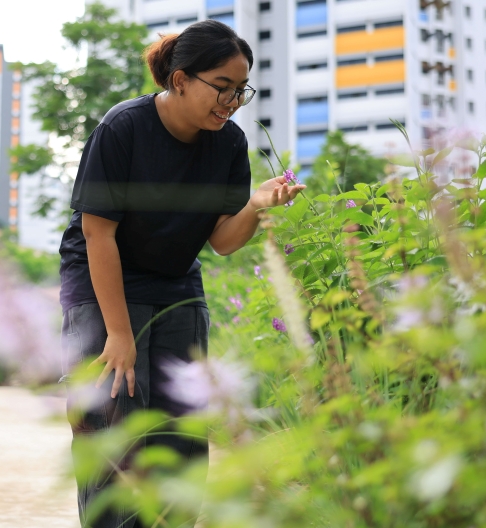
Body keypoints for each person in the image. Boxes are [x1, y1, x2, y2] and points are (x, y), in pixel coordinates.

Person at [58, 19, 305, 527]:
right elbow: (98, 234)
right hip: (103, 279)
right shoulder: (123, 129)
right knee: (113, 426)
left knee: (183, 427)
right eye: (221, 88)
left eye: (240, 91)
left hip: (174, 283)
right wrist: (120, 333)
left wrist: (259, 203)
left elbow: (222, 240)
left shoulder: (229, 144)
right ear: (180, 80)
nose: (231, 102)